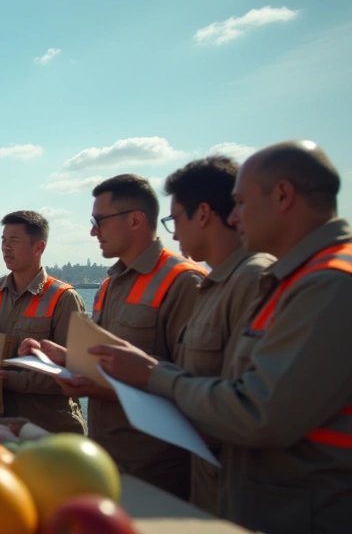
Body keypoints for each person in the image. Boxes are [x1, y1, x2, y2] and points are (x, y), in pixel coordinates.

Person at [91, 141, 352, 534]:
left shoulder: (330, 283)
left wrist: (153, 375)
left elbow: (258, 413)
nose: (235, 215)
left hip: (297, 512)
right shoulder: (289, 279)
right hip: (252, 502)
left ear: (283, 195)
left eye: (242, 202)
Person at [64, 174, 206, 499]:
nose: (92, 231)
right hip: (107, 461)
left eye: (99, 220)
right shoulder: (110, 284)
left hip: (159, 473)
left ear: (135, 220)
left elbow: (196, 389)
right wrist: (67, 362)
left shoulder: (185, 282)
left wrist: (104, 387)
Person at [157, 156, 276, 513]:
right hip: (209, 487)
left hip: (243, 498)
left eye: (174, 219)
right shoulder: (214, 283)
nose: (173, 233)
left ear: (204, 214)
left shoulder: (254, 281)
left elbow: (250, 406)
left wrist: (149, 374)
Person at [0, 211, 87, 434]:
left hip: (49, 429)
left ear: (39, 247)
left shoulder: (63, 299)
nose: (6, 247)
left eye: (14, 241)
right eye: (3, 240)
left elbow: (76, 374)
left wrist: (12, 381)